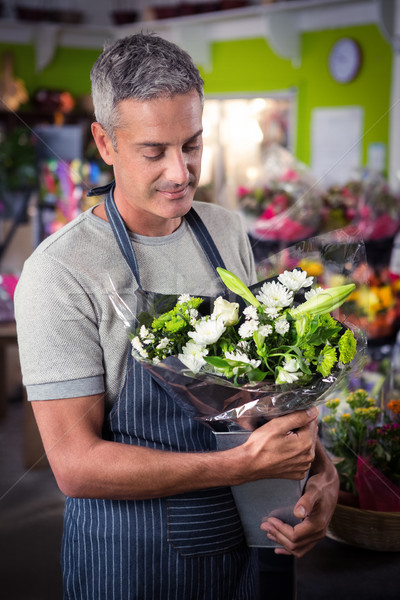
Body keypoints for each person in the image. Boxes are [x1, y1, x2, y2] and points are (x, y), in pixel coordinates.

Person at [15, 33, 339, 599]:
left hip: (244, 544)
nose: (180, 172)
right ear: (104, 142)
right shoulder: (62, 272)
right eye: (153, 151)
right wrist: (241, 466)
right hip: (130, 564)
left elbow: (258, 392)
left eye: (192, 145)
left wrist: (318, 471)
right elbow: (75, 465)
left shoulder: (224, 230)